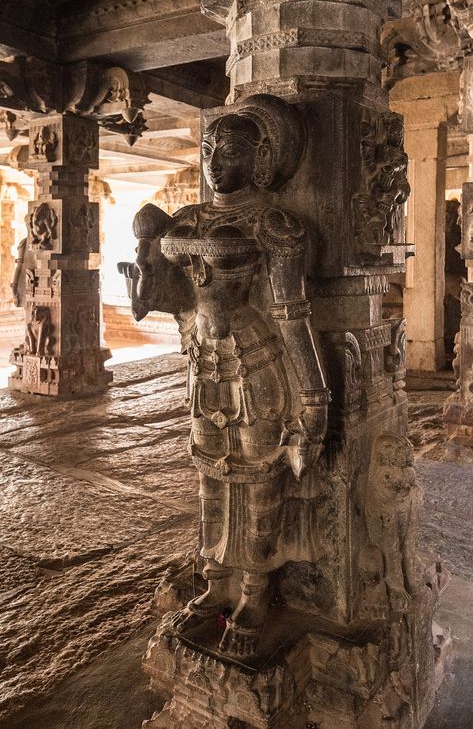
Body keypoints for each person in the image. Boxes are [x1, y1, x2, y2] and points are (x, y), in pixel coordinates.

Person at [120, 94, 329, 656]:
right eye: (209, 148)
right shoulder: (189, 220)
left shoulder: (275, 226)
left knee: (258, 475)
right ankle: (216, 586)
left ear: (263, 158)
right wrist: (145, 262)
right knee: (209, 473)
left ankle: (256, 593)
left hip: (258, 362)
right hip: (203, 361)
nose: (215, 161)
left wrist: (313, 401)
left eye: (231, 150)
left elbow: (291, 315)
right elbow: (168, 300)